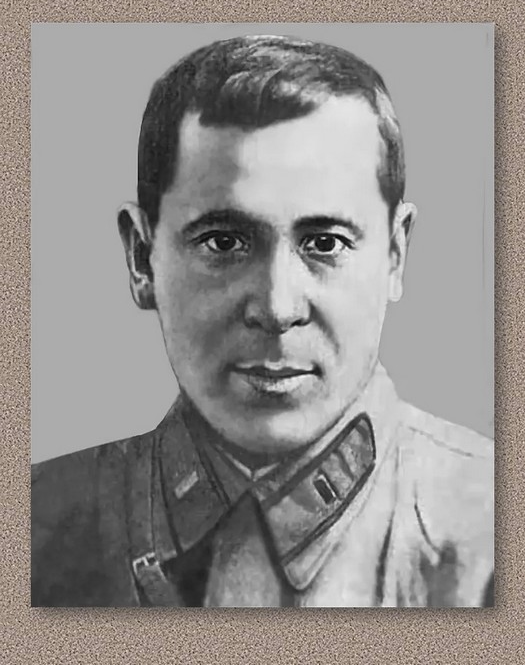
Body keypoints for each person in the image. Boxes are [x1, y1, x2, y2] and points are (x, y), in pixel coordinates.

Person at [31, 34, 493, 608]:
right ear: (141, 258)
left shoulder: (492, 534)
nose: (277, 308)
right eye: (224, 242)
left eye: (325, 242)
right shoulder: (31, 530)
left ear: (395, 255)